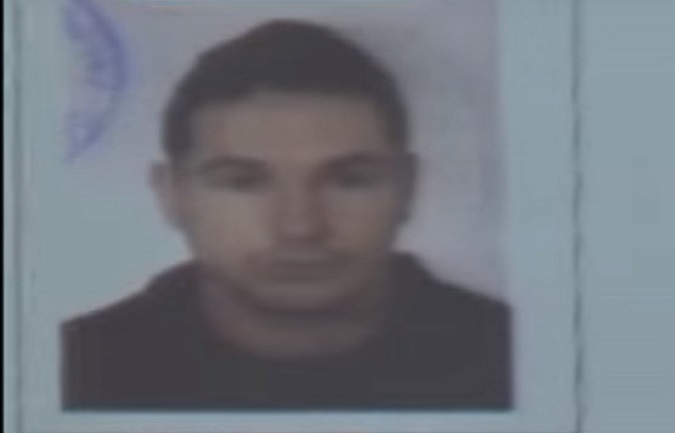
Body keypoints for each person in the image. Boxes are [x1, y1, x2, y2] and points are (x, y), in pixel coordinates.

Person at [62, 19, 512, 410]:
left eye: (350, 180)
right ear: (171, 195)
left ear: (408, 187)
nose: (300, 227)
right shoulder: (74, 368)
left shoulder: (518, 356)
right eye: (243, 182)